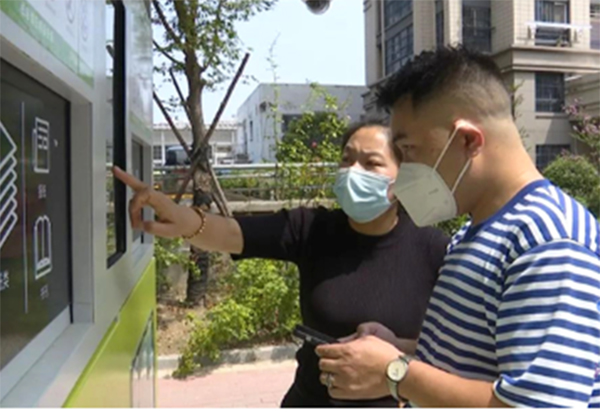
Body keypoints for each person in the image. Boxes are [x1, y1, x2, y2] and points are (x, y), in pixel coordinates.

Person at [315, 46, 600, 408]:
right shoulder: (475, 231)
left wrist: (395, 374)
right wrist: (398, 350)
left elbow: (537, 405)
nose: (403, 171)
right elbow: (479, 359)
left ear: (468, 140)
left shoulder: (549, 242)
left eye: (408, 150)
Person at [114, 120, 449, 407]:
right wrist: (181, 218)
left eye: (371, 163)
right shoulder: (311, 229)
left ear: (403, 178)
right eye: (346, 160)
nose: (353, 173)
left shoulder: (434, 249)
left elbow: (453, 352)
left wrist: (396, 362)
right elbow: (230, 233)